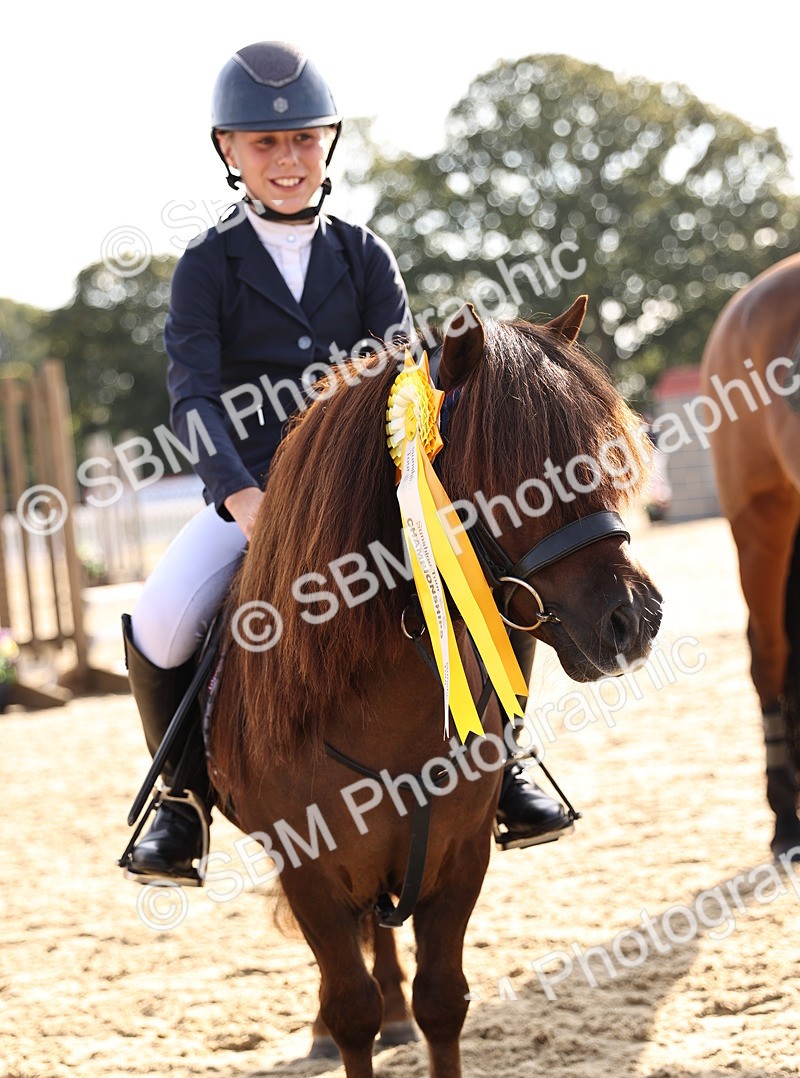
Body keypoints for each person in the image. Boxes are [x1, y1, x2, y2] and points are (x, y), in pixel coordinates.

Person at [122, 40, 574, 887]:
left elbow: (401, 376)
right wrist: (239, 497)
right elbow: (193, 396)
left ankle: (507, 764)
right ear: (229, 150)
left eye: (304, 141)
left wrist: (412, 480)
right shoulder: (204, 269)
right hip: (251, 496)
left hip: (365, 487)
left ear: (328, 142)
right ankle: (179, 807)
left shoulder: (364, 254)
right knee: (160, 618)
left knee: (475, 581)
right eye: (266, 144)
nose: (288, 160)